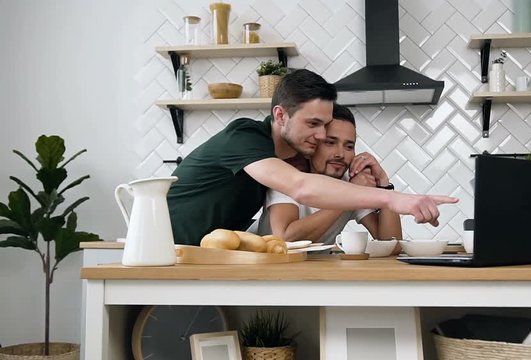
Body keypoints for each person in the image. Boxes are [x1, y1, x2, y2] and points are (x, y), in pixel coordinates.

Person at [168, 69, 458, 246]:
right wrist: (392, 199)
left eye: (325, 125)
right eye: (313, 124)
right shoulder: (245, 137)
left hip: (202, 252)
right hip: (168, 241)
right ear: (280, 115)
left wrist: (383, 187)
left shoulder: (288, 160)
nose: (321, 137)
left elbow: (389, 241)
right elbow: (300, 188)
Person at [253, 104, 401, 244]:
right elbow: (286, 238)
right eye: (330, 143)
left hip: (316, 269)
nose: (340, 154)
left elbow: (392, 244)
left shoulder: (351, 182)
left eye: (349, 146)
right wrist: (348, 196)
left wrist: (384, 184)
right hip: (265, 266)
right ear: (310, 148)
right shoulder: (288, 177)